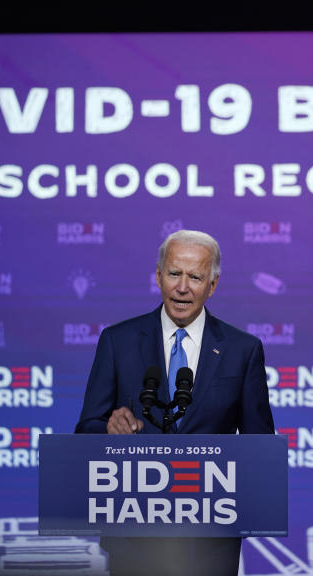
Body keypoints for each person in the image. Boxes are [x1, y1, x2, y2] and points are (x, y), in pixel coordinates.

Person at [75, 229, 275, 576]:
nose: (182, 288)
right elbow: (86, 431)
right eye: (174, 274)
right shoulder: (118, 341)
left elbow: (260, 447)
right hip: (134, 533)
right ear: (158, 276)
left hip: (210, 539)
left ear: (212, 285)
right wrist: (109, 430)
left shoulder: (242, 350)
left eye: (195, 277)